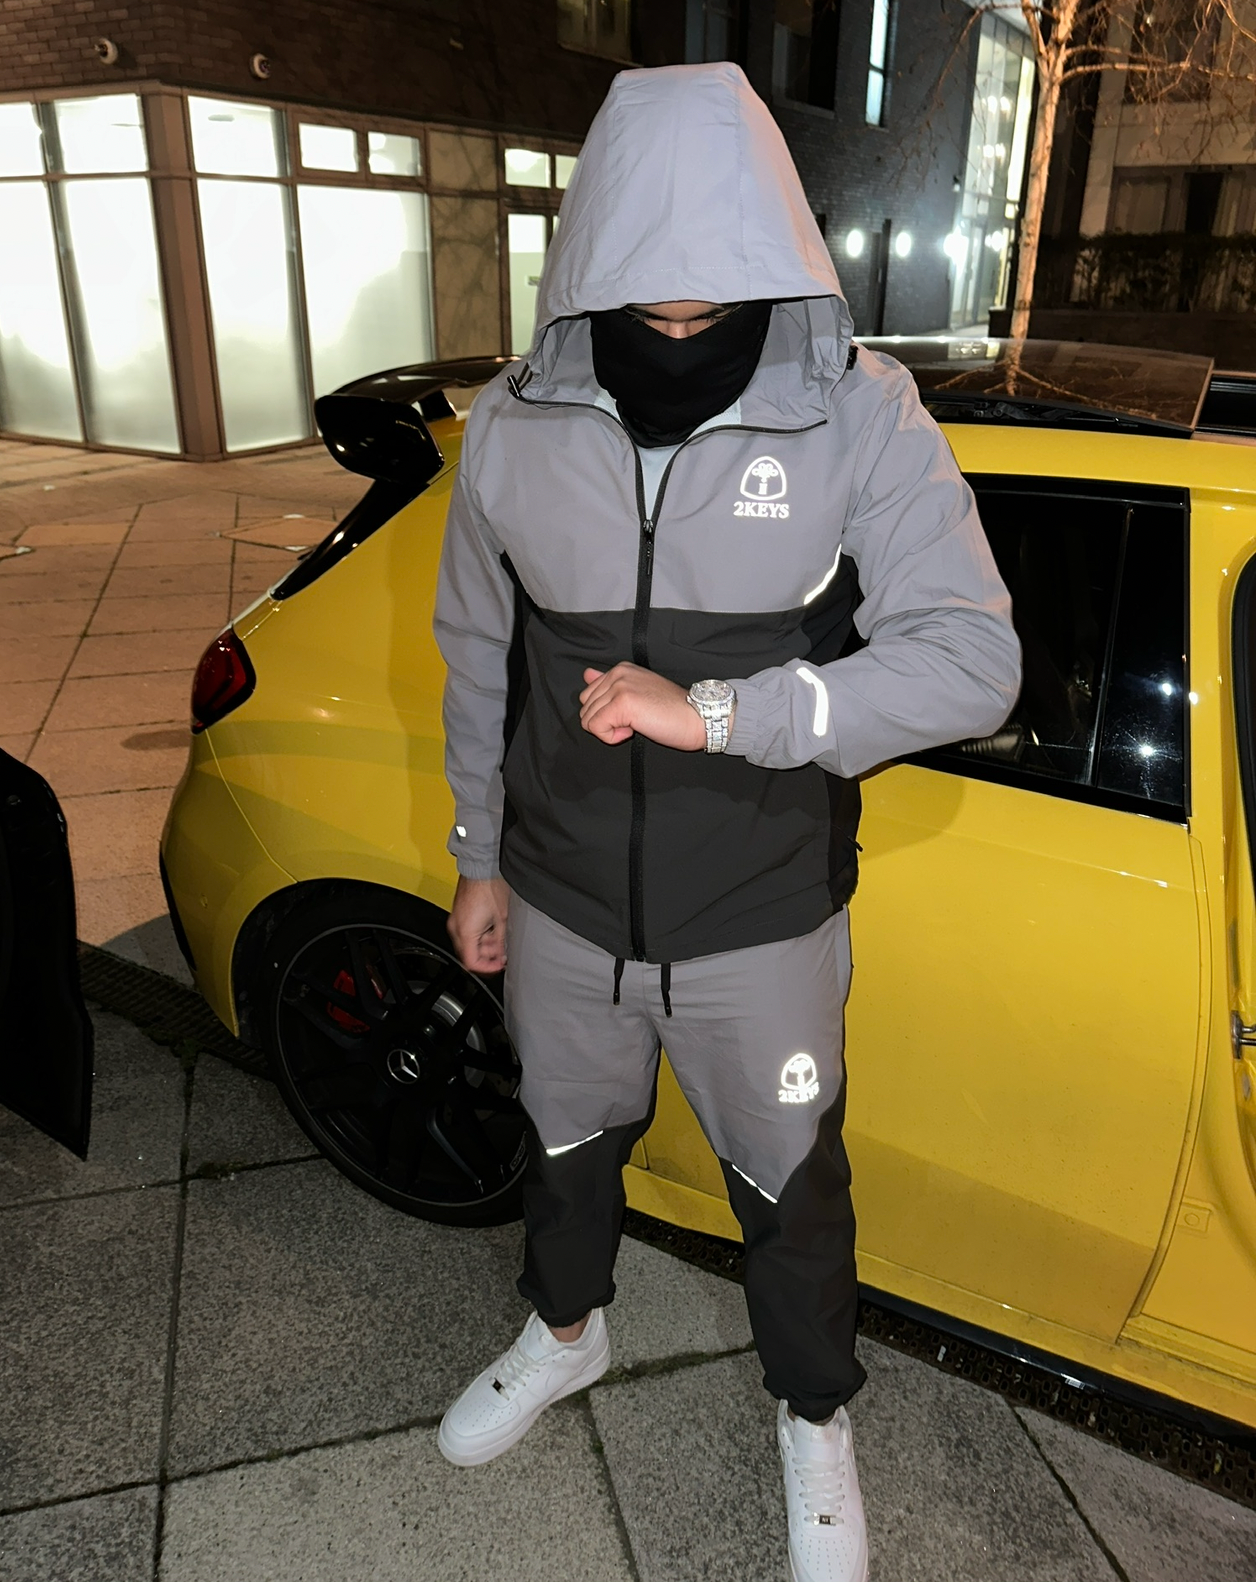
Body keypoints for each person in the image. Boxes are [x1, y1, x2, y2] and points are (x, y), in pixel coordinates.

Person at [431, 61, 1021, 1582]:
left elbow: (972, 658)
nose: (679, 317)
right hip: (560, 898)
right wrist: (479, 858)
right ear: (592, 244)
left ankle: (814, 1416)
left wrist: (726, 712)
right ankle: (566, 1331)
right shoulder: (511, 424)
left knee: (791, 1186)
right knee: (565, 1142)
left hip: (760, 915)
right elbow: (478, 653)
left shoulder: (860, 414)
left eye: (713, 287)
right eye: (649, 284)